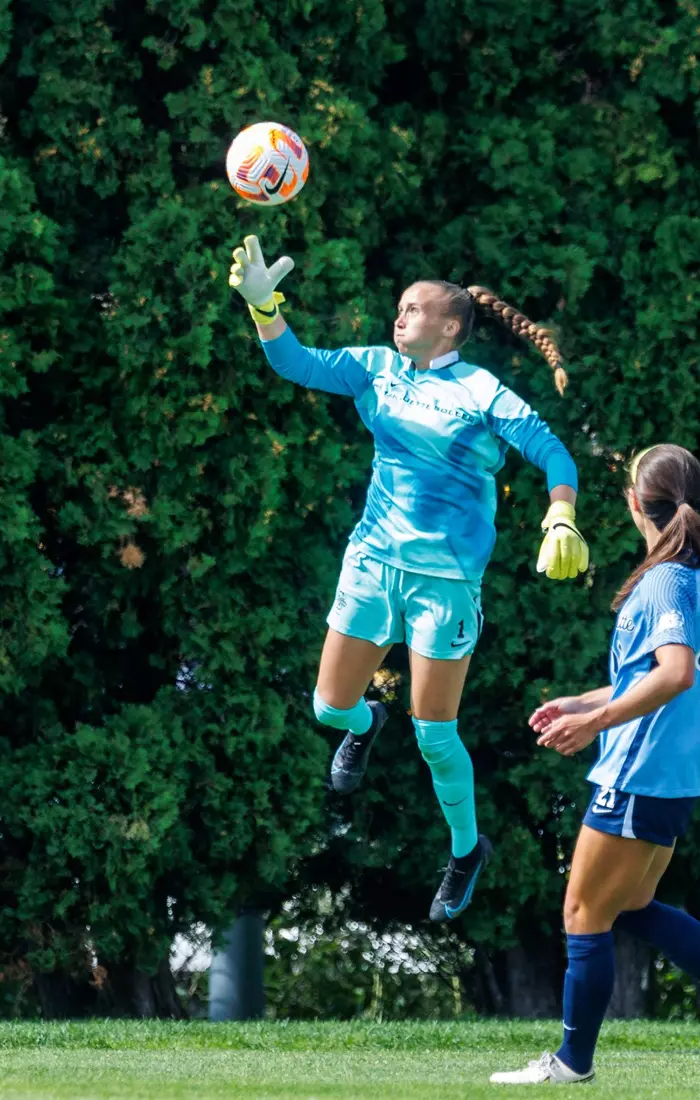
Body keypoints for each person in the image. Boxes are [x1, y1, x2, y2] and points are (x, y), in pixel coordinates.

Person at [228, 235, 588, 920]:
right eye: (397, 309)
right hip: (371, 562)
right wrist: (262, 305)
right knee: (329, 708)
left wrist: (560, 516)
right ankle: (365, 725)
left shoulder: (481, 390)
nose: (398, 319)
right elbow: (295, 362)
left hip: (444, 585)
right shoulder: (374, 369)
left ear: (449, 325)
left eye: (412, 310)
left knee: (433, 731)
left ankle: (464, 849)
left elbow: (552, 451)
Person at [491, 444, 700, 1084]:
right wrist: (584, 700)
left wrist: (593, 723)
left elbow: (675, 674)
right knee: (631, 905)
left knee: (582, 913)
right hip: (670, 776)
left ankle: (572, 1064)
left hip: (638, 773)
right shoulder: (690, 574)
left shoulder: (665, 579)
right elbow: (649, 675)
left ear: (634, 504)